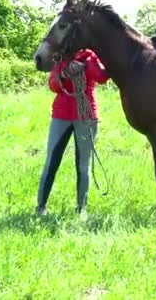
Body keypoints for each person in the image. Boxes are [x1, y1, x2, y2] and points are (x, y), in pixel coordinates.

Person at [36, 49, 109, 216]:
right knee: (51, 161)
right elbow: (53, 85)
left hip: (86, 115)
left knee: (83, 165)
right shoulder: (60, 58)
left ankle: (81, 208)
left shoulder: (92, 57)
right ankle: (41, 206)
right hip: (62, 114)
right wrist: (63, 74)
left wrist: (88, 63)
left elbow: (102, 77)